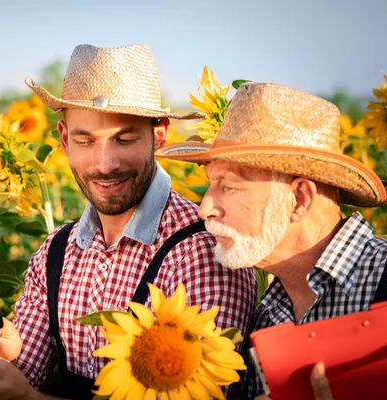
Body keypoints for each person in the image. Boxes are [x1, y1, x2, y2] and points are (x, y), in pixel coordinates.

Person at [0, 44, 257, 400]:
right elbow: (23, 376)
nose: (104, 164)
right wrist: (4, 359)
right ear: (65, 140)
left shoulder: (206, 252)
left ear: (159, 135)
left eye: (125, 138)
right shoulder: (55, 252)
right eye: (85, 141)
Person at [156, 82, 387, 399]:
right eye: (212, 184)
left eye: (231, 186)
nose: (205, 208)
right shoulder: (265, 317)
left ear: (299, 198)